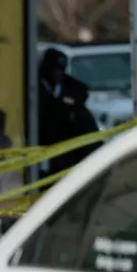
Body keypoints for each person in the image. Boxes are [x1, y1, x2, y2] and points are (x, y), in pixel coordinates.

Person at [38, 48, 101, 179]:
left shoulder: (71, 90)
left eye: (61, 69)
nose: (58, 74)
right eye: (54, 69)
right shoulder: (36, 89)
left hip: (69, 149)